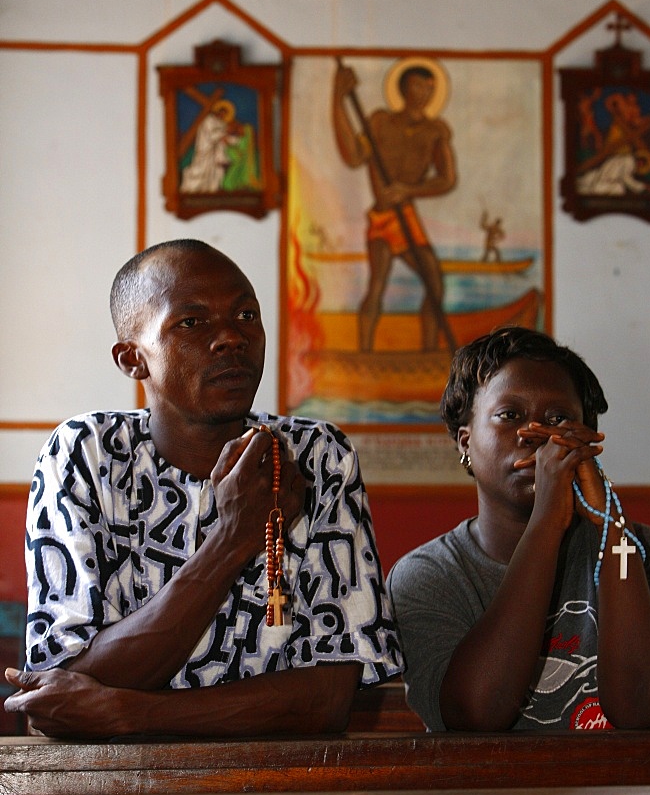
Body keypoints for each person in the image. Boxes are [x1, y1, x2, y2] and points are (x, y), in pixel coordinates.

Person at [4, 239, 403, 739]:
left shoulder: (315, 457)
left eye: (246, 315)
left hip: (280, 789)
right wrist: (233, 538)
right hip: (111, 789)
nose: (231, 338)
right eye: (191, 323)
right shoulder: (86, 455)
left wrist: (134, 715)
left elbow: (328, 698)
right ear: (132, 359)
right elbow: (63, 689)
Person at [388, 327, 650, 731]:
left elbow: (641, 706)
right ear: (466, 442)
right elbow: (475, 715)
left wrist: (613, 523)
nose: (536, 436)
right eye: (510, 415)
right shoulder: (427, 576)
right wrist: (547, 523)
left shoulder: (636, 550)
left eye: (559, 420)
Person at [332, 60, 457, 352]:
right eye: (418, 85)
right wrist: (337, 100)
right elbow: (352, 155)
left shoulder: (435, 131)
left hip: (406, 215)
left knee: (434, 283)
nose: (424, 92)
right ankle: (364, 354)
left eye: (430, 87)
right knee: (377, 284)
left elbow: (447, 179)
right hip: (383, 217)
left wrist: (408, 190)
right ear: (403, 88)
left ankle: (427, 352)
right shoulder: (380, 122)